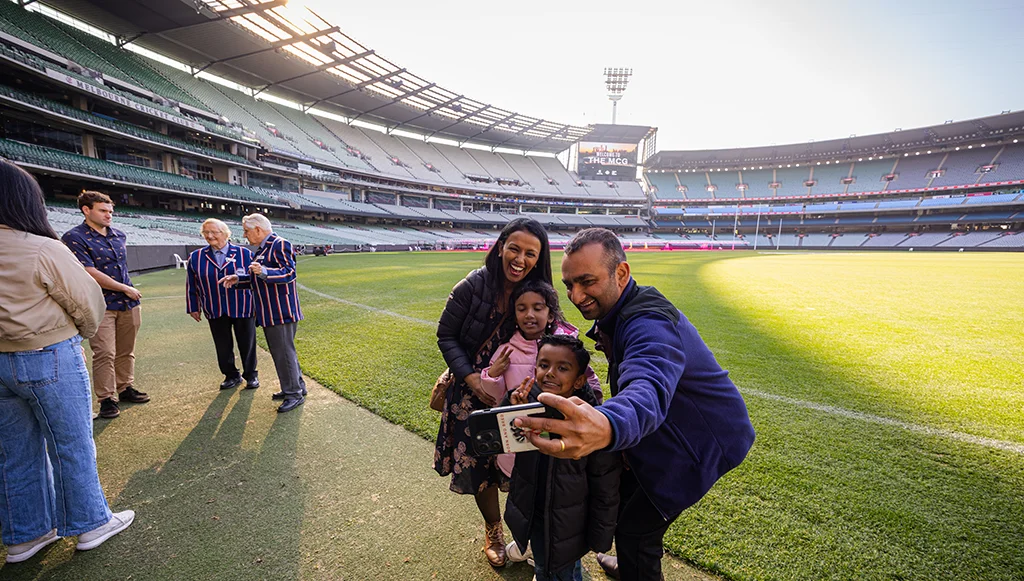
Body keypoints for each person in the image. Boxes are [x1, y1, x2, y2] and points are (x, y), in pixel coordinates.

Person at [515, 228, 756, 581]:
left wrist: (609, 424)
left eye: (586, 282)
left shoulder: (648, 321)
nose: (576, 295)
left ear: (621, 274)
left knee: (635, 531)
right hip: (668, 432)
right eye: (569, 285)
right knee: (622, 504)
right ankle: (631, 563)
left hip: (701, 443)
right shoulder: (620, 311)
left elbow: (648, 383)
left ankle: (636, 564)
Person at [0, 161, 135, 563]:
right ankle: (91, 522)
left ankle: (25, 535)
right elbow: (88, 302)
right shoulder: (42, 247)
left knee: (14, 451)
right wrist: (78, 333)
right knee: (72, 444)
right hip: (48, 354)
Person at [434, 217, 551, 568]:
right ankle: (493, 529)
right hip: (473, 391)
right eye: (514, 248)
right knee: (480, 464)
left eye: (531, 253)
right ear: (500, 246)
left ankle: (524, 532)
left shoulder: (537, 289)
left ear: (539, 257)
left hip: (522, 389)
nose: (520, 258)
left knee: (526, 463)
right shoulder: (472, 285)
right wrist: (470, 379)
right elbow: (446, 335)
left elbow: (553, 326)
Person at [502, 335, 621, 581]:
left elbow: (606, 485)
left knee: (559, 570)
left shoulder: (593, 426)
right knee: (549, 566)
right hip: (533, 510)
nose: (550, 373)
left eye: (562, 368)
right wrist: (511, 408)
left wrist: (601, 534)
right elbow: (504, 439)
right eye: (544, 365)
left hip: (567, 523)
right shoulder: (528, 402)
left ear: (579, 380)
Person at [480, 280, 602, 479]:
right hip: (521, 446)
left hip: (561, 445)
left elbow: (588, 383)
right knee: (524, 488)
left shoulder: (567, 348)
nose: (529, 315)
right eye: (522, 309)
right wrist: (492, 376)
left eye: (538, 308)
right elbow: (495, 399)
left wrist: (596, 405)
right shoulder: (506, 351)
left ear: (550, 314)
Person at [61, 191, 149, 420]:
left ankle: (125, 387)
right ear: (86, 210)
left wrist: (127, 292)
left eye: (110, 211)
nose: (108, 215)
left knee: (126, 350)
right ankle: (107, 399)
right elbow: (89, 272)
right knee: (104, 353)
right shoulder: (74, 237)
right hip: (100, 303)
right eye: (103, 210)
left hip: (129, 302)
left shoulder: (119, 235)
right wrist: (124, 288)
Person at [219, 214, 305, 413]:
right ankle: (296, 387)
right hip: (270, 310)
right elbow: (259, 280)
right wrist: (239, 280)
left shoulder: (279, 244)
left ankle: (293, 393)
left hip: (280, 310)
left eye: (247, 231)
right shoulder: (264, 249)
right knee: (285, 351)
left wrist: (265, 271)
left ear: (258, 229)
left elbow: (289, 273)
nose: (245, 235)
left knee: (283, 352)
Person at [186, 218, 259, 391]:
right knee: (222, 345)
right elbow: (192, 284)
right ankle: (231, 375)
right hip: (215, 306)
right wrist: (193, 307)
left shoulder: (244, 254)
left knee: (247, 343)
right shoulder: (196, 257)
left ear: (226, 234)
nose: (210, 236)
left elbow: (255, 281)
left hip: (243, 306)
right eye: (206, 233)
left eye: (214, 232)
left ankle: (251, 375)